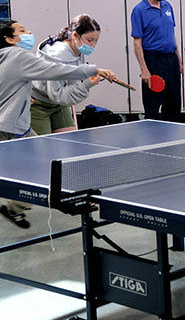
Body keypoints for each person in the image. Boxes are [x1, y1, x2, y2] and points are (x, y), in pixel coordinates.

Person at [0, 19, 115, 229]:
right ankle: (19, 206)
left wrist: (24, 95)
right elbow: (57, 71)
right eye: (22, 31)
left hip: (18, 125)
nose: (29, 32)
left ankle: (17, 208)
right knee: (34, 168)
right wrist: (93, 71)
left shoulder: (6, 57)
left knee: (44, 163)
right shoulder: (18, 55)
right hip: (9, 126)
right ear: (9, 39)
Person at [31, 14, 106, 135]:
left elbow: (73, 76)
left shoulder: (78, 48)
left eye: (96, 40)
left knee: (69, 143)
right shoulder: (57, 56)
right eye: (90, 40)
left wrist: (88, 77)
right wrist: (87, 84)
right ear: (75, 35)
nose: (93, 45)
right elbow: (57, 94)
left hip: (59, 103)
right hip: (38, 103)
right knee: (42, 149)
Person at [131, 0, 183, 121]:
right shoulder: (139, 10)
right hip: (153, 60)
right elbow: (137, 42)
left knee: (174, 103)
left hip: (171, 59)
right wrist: (144, 69)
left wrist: (178, 59)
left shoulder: (167, 6)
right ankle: (153, 140)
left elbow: (171, 34)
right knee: (153, 104)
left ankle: (172, 138)